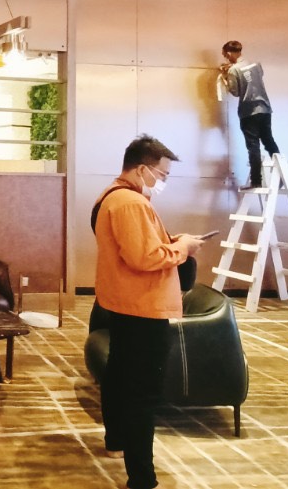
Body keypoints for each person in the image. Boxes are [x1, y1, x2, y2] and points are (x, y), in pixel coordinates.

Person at [93, 134, 203, 489]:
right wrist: (183, 248)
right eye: (162, 174)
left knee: (119, 375)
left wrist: (174, 243)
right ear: (142, 169)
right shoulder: (131, 203)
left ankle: (116, 441)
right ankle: (142, 478)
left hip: (124, 302)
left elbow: (137, 248)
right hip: (143, 306)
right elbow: (144, 258)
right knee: (143, 392)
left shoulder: (112, 196)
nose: (163, 181)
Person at [219, 40, 280, 190]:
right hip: (265, 108)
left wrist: (226, 77)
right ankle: (280, 178)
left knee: (253, 146)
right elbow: (255, 79)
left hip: (248, 112)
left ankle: (256, 181)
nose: (226, 58)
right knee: (269, 141)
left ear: (228, 53)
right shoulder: (256, 64)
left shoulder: (233, 71)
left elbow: (235, 92)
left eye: (225, 55)